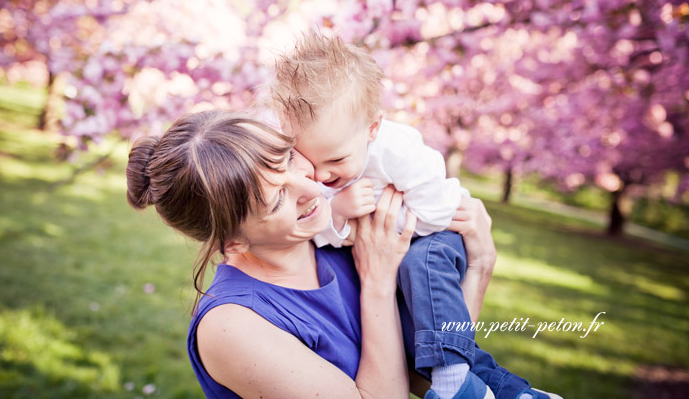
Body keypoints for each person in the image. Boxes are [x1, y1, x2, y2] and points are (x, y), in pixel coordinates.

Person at [267, 32, 561, 399]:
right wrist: (339, 212)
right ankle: (513, 393)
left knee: (419, 266)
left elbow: (439, 210)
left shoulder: (399, 151)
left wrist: (389, 230)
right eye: (312, 161)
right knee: (418, 339)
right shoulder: (319, 162)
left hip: (433, 237)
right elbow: (322, 232)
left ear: (372, 128)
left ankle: (452, 376)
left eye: (337, 161)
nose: (323, 176)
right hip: (390, 248)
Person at [125, 109, 498, 398]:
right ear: (233, 242)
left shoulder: (338, 240)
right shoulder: (232, 326)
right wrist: (378, 284)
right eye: (275, 201)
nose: (309, 187)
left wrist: (478, 268)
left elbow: (428, 373)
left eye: (287, 159)